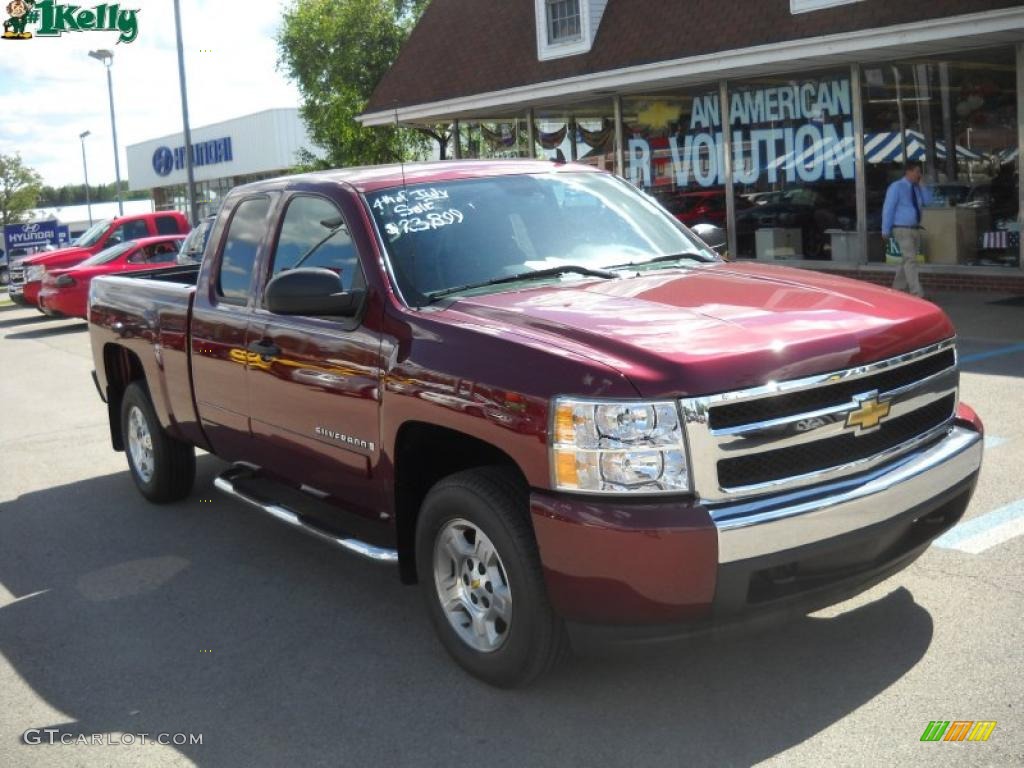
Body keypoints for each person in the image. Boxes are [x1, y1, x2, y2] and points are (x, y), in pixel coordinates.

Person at [882, 160, 930, 297]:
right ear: (908, 171)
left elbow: (927, 201)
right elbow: (888, 208)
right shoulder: (896, 187)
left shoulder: (917, 188)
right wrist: (885, 229)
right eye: (917, 172)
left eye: (920, 172)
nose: (919, 175)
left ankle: (897, 289)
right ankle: (917, 293)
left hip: (914, 228)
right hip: (902, 228)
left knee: (907, 260)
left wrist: (922, 186)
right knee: (911, 260)